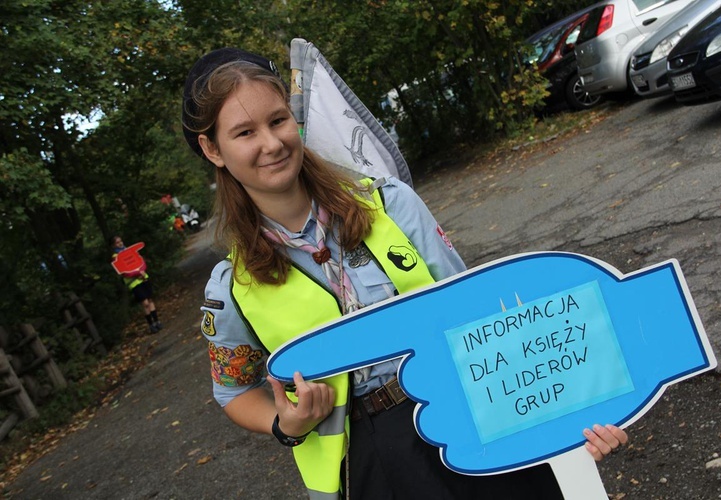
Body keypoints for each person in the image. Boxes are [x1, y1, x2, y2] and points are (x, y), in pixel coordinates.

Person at [182, 47, 627, 499]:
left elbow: (482, 323)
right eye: (244, 132)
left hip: (470, 417)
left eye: (277, 121)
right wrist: (285, 424)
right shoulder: (233, 287)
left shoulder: (389, 205)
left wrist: (571, 412)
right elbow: (234, 392)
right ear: (212, 148)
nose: (272, 143)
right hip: (374, 461)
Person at [111, 236, 163, 334]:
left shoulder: (130, 250)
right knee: (145, 303)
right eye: (117, 243)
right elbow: (124, 272)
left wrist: (142, 270)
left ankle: (157, 321)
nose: (120, 243)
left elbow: (141, 261)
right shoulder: (115, 257)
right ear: (113, 245)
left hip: (144, 278)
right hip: (134, 282)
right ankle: (151, 324)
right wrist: (138, 273)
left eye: (121, 241)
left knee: (150, 300)